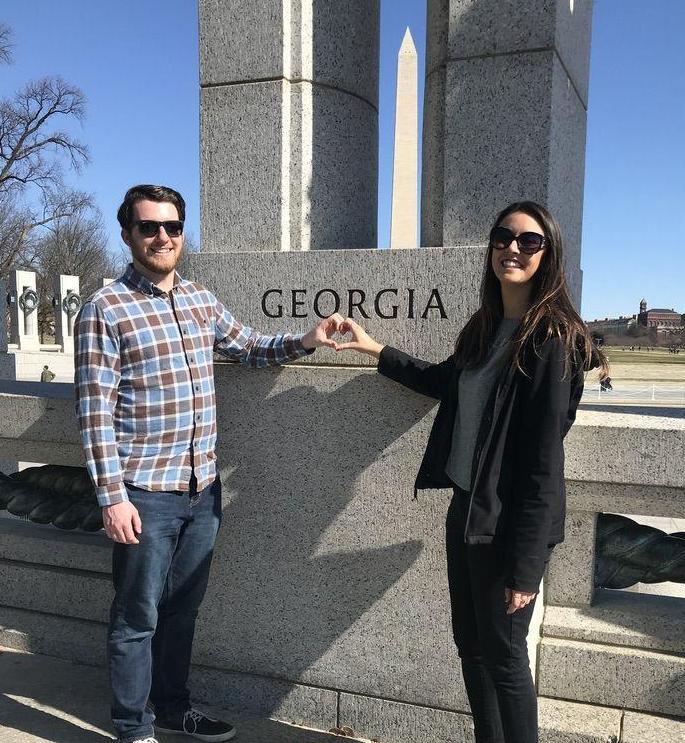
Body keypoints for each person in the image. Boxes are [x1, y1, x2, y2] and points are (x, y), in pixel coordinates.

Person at [74, 185, 342, 743]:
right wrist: (112, 496)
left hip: (201, 491)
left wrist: (307, 339)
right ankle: (133, 728)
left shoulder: (199, 300)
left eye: (172, 226)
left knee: (182, 612)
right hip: (143, 491)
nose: (163, 237)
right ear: (128, 234)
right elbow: (94, 410)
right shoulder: (106, 308)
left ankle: (173, 708)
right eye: (150, 227)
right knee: (136, 618)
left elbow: (249, 345)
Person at [335, 201, 607, 743]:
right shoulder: (486, 327)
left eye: (528, 241)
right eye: (503, 237)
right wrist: (376, 348)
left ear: (547, 254)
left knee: (505, 660)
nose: (512, 248)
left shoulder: (551, 340)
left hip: (508, 525)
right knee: (473, 649)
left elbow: (543, 464)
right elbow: (447, 383)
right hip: (467, 511)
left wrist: (527, 568)